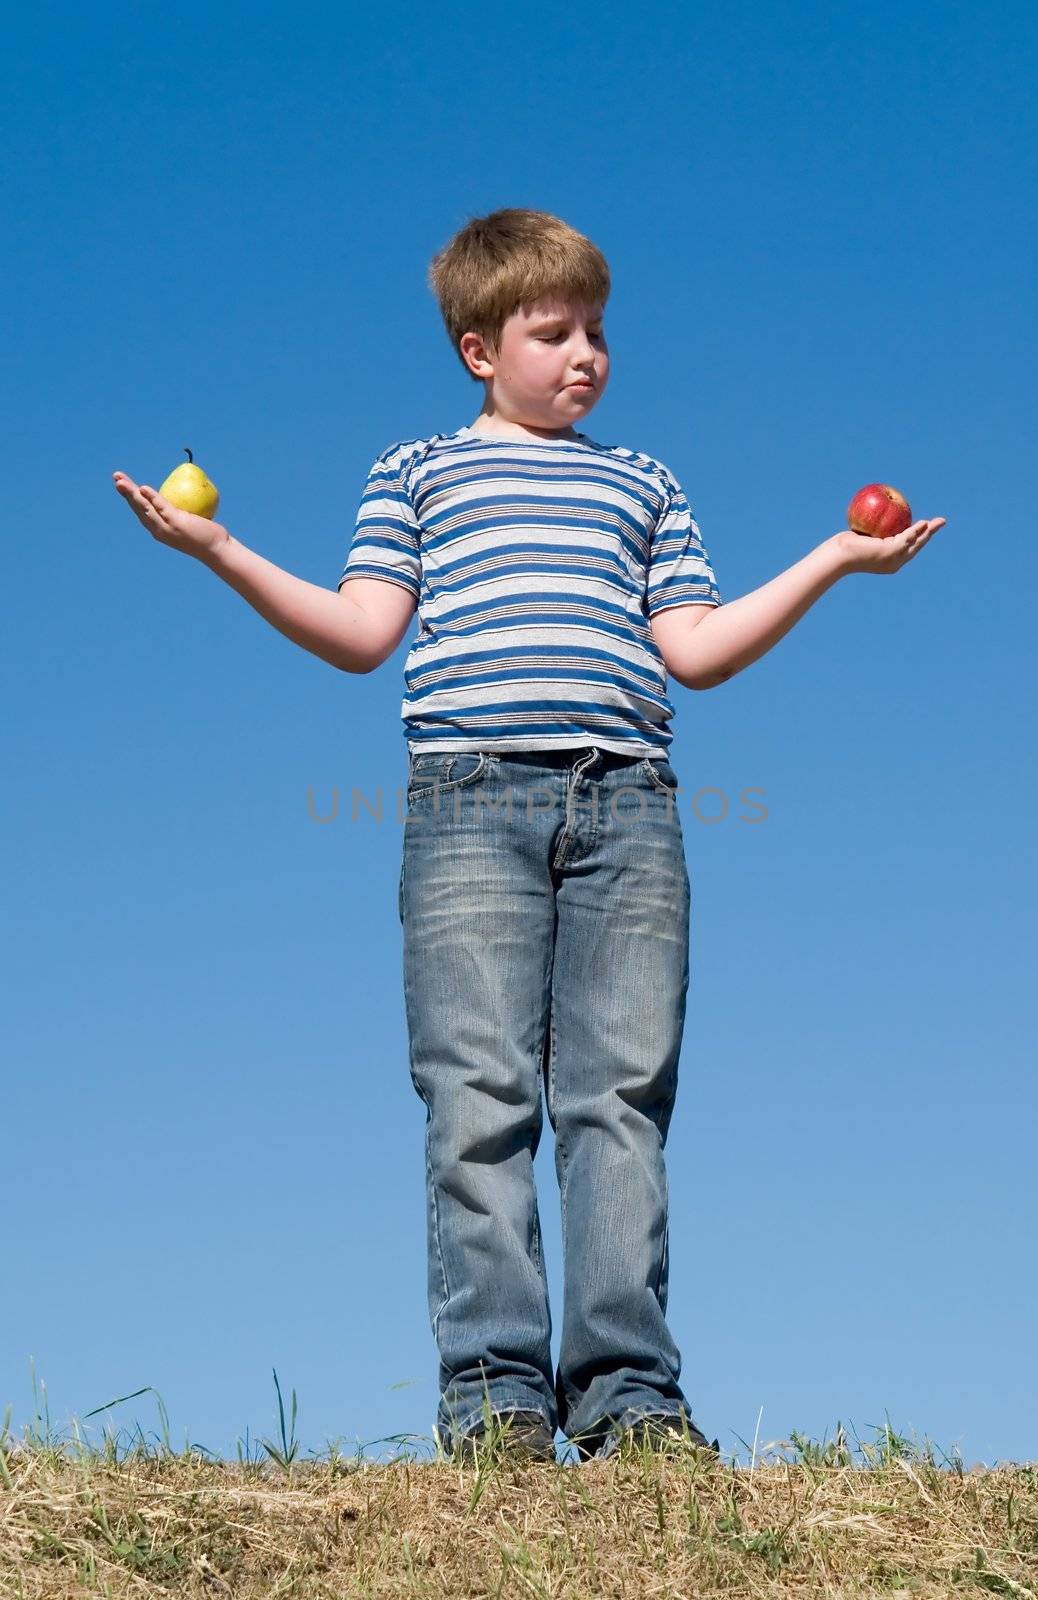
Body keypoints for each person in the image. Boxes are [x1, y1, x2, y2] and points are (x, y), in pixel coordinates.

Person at [112, 207, 946, 1468]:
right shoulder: (417, 473)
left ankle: (628, 1400)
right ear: (474, 349)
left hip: (629, 803)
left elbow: (697, 652)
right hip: (466, 804)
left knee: (617, 1104)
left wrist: (833, 556)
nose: (583, 355)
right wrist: (219, 546)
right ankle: (496, 1398)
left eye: (596, 331)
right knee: (477, 1097)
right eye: (550, 331)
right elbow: (358, 633)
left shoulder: (643, 482)